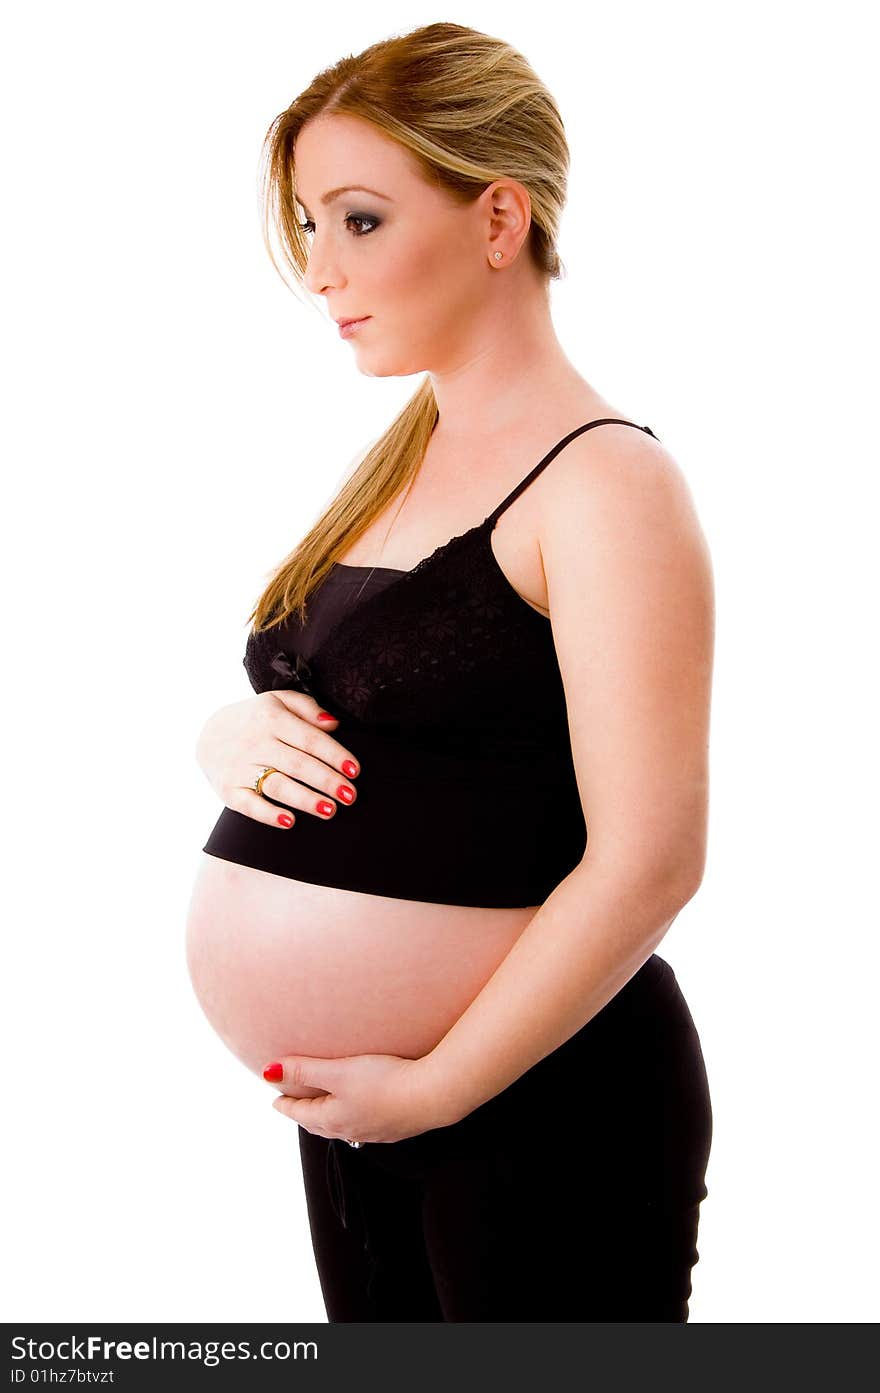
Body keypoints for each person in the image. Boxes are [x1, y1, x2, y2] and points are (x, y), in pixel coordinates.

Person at [194, 21, 715, 1321]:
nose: (321, 270)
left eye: (359, 220)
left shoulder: (606, 483)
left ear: (499, 219)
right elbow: (366, 710)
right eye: (309, 226)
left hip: (543, 1107)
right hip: (363, 1109)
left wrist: (434, 1089)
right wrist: (226, 734)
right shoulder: (397, 461)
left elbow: (652, 858)